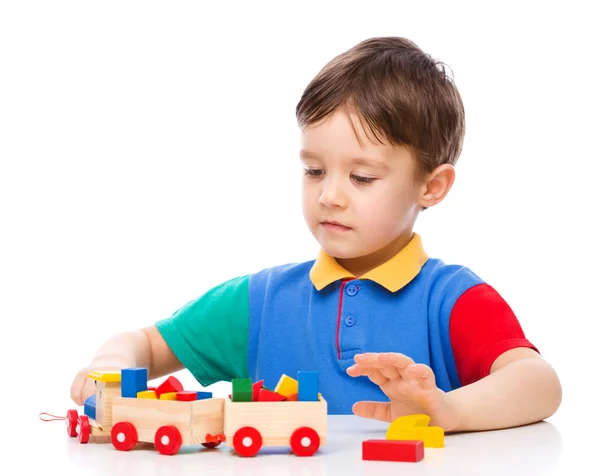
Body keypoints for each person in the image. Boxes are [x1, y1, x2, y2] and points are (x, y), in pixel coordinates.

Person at [70, 36, 562, 432]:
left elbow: (538, 383)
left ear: (432, 187)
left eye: (362, 177)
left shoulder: (452, 299)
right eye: (313, 170)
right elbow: (147, 345)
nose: (330, 195)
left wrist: (449, 412)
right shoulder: (260, 301)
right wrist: (106, 369)